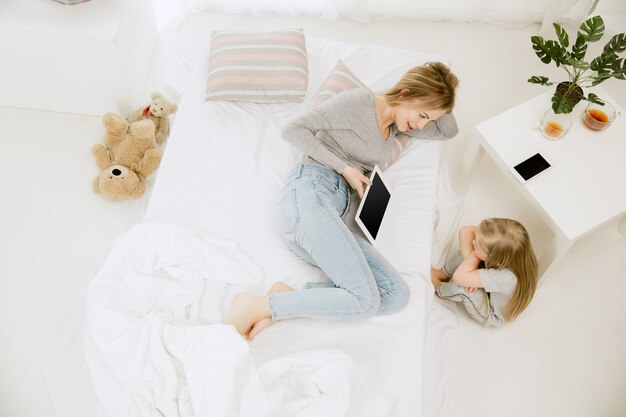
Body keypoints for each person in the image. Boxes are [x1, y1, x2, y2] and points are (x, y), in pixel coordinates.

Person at [227, 62, 460, 339]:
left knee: (396, 294)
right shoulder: (358, 102)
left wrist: (444, 90)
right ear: (407, 92)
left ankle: (285, 299)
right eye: (422, 115)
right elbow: (294, 129)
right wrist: (346, 168)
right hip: (312, 192)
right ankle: (258, 305)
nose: (421, 125)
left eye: (427, 121)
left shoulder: (399, 125)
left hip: (339, 215)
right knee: (364, 300)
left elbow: (448, 130)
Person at [431, 218, 538, 327]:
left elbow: (459, 277)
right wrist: (474, 261)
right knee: (470, 252)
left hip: (491, 312)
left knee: (463, 287)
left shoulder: (506, 278)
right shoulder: (504, 246)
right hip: (493, 282)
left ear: (497, 262)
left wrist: (471, 265)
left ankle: (438, 287)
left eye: (477, 245)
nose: (474, 241)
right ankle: (442, 274)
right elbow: (465, 231)